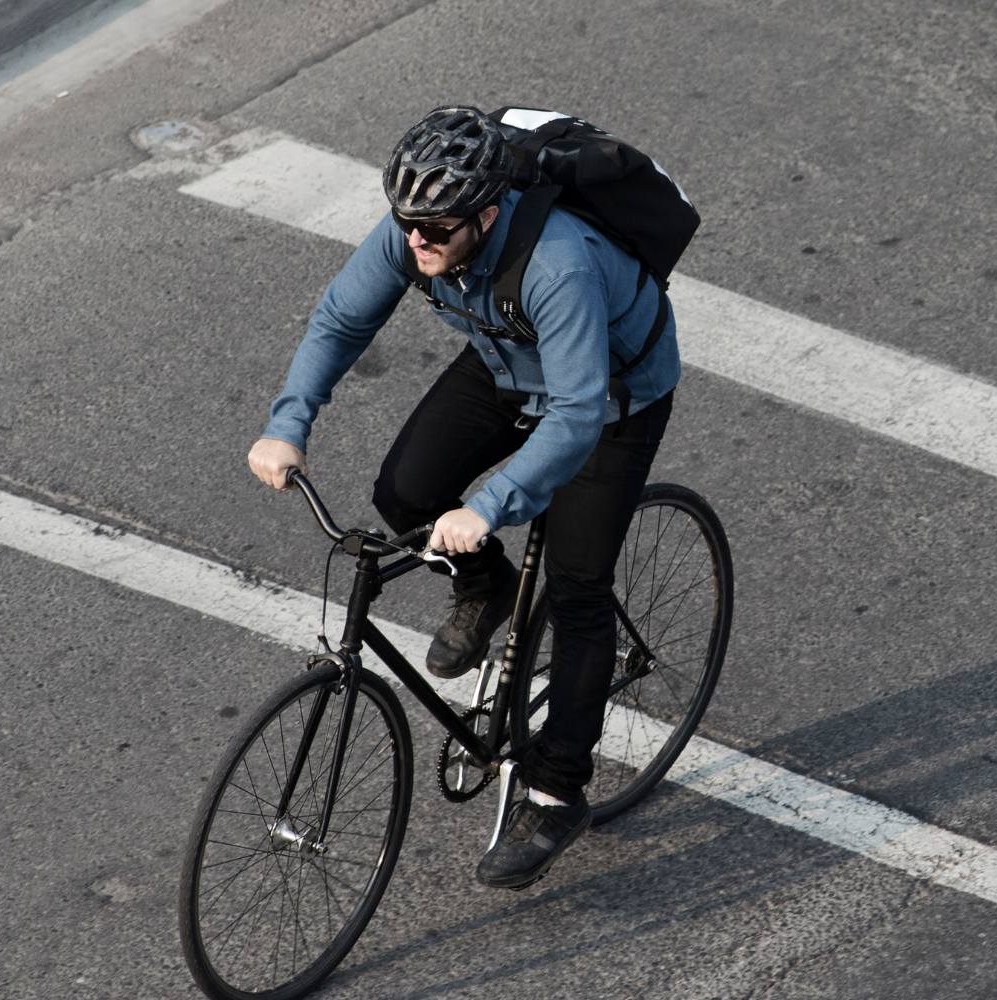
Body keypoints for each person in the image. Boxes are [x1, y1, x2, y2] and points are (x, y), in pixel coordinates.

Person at [244, 105, 681, 889]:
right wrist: (290, 423)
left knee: (578, 591)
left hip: (612, 396)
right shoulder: (418, 233)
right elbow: (343, 318)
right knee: (404, 491)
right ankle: (487, 593)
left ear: (486, 212)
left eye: (436, 228)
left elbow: (578, 413)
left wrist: (491, 505)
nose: (417, 241)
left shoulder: (559, 264)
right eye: (408, 222)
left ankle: (556, 793)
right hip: (508, 359)